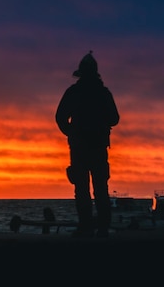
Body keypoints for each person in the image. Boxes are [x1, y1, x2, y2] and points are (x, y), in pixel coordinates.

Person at [55, 51, 120, 238]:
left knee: (82, 188)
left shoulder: (74, 92)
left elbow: (60, 118)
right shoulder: (103, 93)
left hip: (80, 147)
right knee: (100, 188)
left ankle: (86, 227)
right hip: (96, 146)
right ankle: (102, 228)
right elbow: (114, 118)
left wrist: (72, 134)